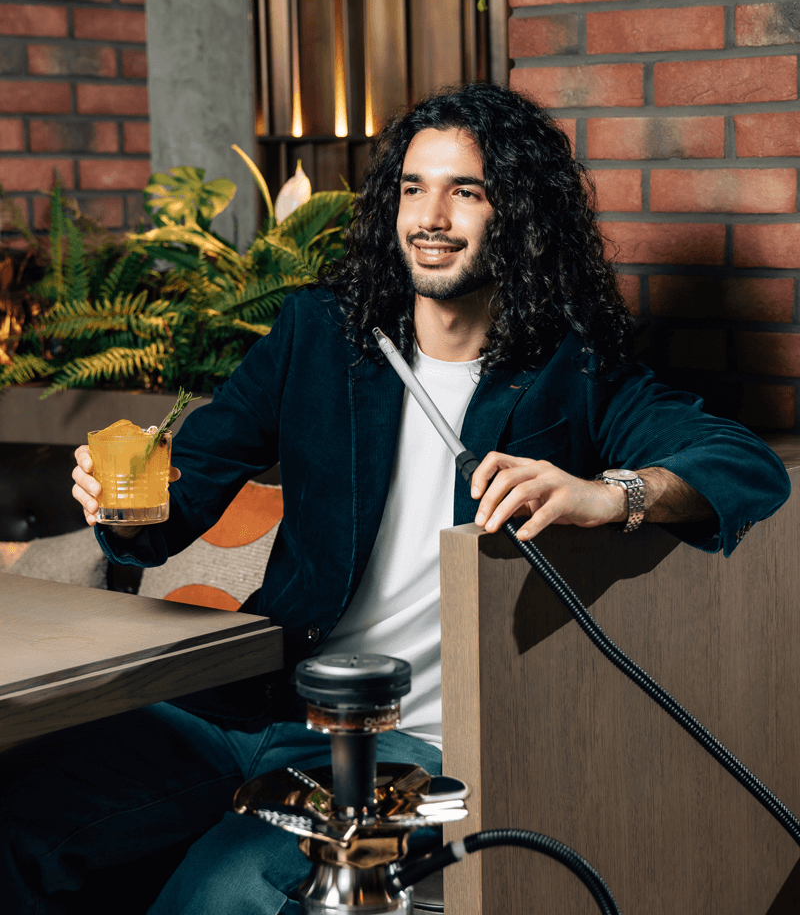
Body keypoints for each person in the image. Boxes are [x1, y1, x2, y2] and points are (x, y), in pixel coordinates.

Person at [3, 84, 790, 913]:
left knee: (224, 890)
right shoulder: (320, 334)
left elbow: (745, 466)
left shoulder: (573, 372)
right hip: (254, 707)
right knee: (20, 823)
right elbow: (181, 494)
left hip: (411, 746)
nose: (431, 217)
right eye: (415, 188)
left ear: (520, 214)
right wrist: (122, 507)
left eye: (466, 191)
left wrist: (610, 495)